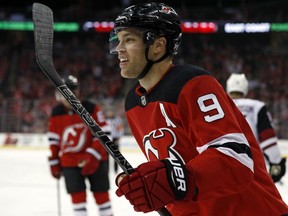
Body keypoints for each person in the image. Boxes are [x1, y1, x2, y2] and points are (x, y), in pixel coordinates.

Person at [109, 2, 288, 215]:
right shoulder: (133, 103)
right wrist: (149, 185)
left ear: (158, 45)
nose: (118, 49)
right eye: (118, 40)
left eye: (128, 40)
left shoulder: (193, 84)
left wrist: (173, 180)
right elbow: (175, 171)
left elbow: (235, 159)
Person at [47, 75, 113, 216]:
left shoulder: (91, 108)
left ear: (75, 93)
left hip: (95, 160)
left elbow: (104, 134)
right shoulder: (56, 112)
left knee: (102, 197)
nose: (64, 98)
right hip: (70, 162)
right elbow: (54, 140)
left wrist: (93, 155)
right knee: (77, 198)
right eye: (61, 94)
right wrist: (54, 161)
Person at [226, 73, 286, 183]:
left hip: (224, 163)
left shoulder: (220, 105)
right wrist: (276, 161)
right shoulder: (257, 106)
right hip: (252, 165)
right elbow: (267, 137)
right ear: (245, 89)